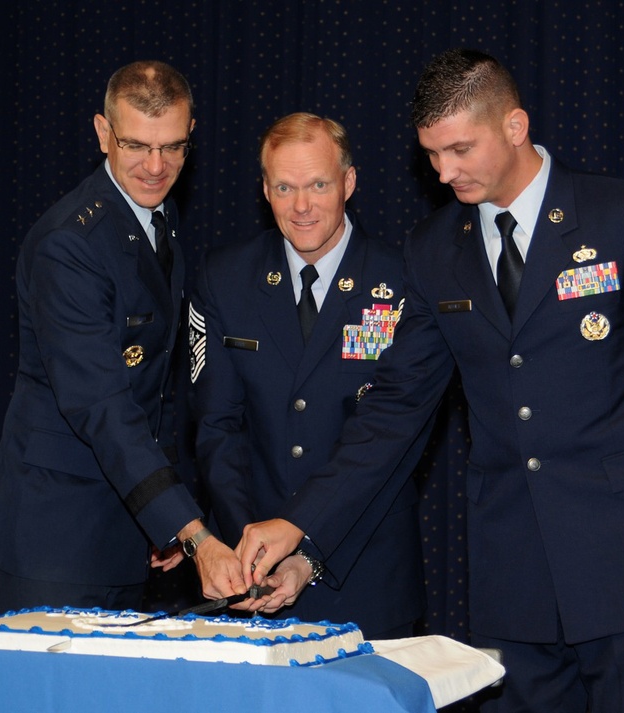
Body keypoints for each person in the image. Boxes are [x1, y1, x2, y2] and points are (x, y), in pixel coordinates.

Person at [236, 49, 624, 712]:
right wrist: (298, 523)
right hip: (516, 583)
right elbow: (395, 409)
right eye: (432, 156)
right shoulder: (434, 249)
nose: (444, 172)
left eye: (459, 149)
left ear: (514, 126)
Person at [0, 60, 245, 613]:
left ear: (191, 133)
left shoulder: (160, 215)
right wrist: (191, 532)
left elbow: (154, 386)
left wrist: (162, 519)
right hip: (55, 537)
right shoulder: (70, 245)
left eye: (173, 147)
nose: (156, 167)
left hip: (126, 527)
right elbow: (101, 405)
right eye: (136, 146)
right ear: (102, 132)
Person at [188, 113, 428, 638]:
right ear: (265, 190)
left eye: (318, 184)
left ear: (349, 182)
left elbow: (391, 442)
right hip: (251, 586)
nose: (301, 206)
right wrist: (249, 548)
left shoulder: (406, 279)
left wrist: (308, 549)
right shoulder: (223, 277)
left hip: (367, 577)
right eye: (284, 187)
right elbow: (218, 428)